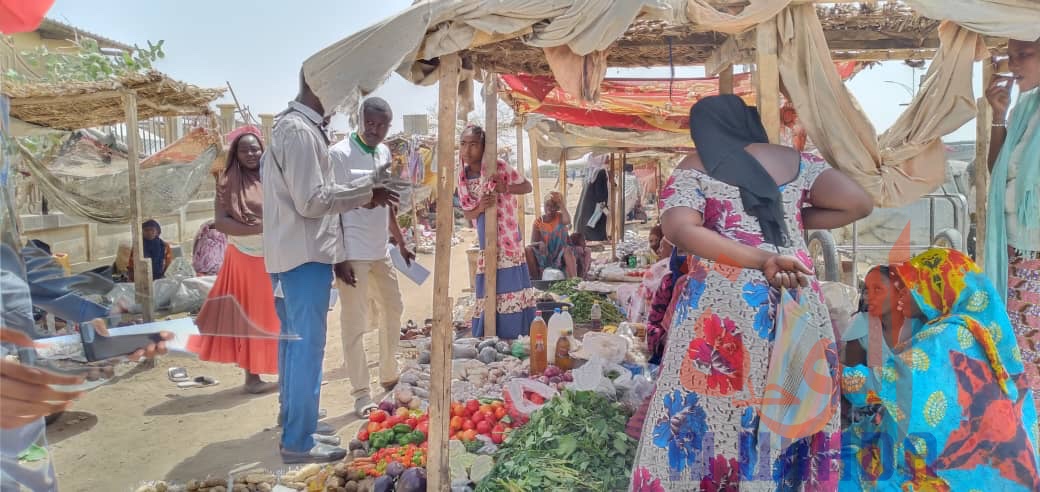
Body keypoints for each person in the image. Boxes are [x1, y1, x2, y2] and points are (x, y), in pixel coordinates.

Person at [630, 95, 872, 491]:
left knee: (718, 408)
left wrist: (757, 257)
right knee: (791, 403)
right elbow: (859, 203)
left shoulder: (694, 167)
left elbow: (681, 230)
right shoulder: (797, 161)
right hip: (797, 294)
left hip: (726, 303)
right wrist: (789, 216)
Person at [262, 70, 398, 463]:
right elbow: (312, 201)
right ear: (322, 88)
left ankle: (296, 425)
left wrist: (363, 194)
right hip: (304, 257)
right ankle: (298, 441)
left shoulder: (296, 127)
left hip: (290, 255)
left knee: (292, 344)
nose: (343, 102)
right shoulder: (302, 132)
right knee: (306, 347)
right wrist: (362, 196)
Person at [840, 248, 1039, 490]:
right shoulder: (972, 328)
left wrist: (834, 373)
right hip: (1001, 469)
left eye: (911, 286)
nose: (903, 292)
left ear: (935, 289)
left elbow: (885, 385)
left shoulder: (944, 335)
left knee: (837, 464)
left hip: (957, 471)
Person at [328, 97, 414, 417]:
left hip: (381, 251)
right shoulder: (338, 155)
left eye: (382, 125)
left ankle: (389, 374)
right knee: (355, 323)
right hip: (352, 253)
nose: (376, 130)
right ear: (359, 121)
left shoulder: (383, 152)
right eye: (371, 124)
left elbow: (386, 199)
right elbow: (330, 206)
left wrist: (401, 241)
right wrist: (338, 257)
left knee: (394, 308)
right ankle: (361, 393)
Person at [188, 128, 279, 395]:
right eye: (244, 150)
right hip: (246, 258)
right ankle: (252, 378)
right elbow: (221, 222)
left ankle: (277, 369)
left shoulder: (271, 176)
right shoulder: (228, 181)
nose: (251, 154)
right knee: (253, 315)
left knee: (274, 314)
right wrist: (261, 228)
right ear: (235, 155)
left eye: (255, 148)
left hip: (273, 255)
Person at [985, 36, 1040, 411]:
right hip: (1014, 254)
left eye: (1024, 54)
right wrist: (999, 116)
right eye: (1010, 55)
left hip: (1034, 256)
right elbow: (998, 171)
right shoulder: (1027, 108)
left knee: (1029, 356)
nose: (1013, 63)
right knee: (1018, 353)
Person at [457, 125, 536, 339]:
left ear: (484, 147)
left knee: (511, 285)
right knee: (490, 285)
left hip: (508, 236)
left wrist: (505, 188)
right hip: (486, 238)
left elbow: (526, 186)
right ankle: (490, 330)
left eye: (474, 145)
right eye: (464, 144)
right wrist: (481, 207)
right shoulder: (462, 178)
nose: (467, 150)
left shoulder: (499, 167)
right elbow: (468, 213)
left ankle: (514, 332)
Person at [840, 265, 907, 369]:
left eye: (877, 289)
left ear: (899, 292)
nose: (869, 297)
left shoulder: (918, 324)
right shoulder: (862, 325)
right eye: (867, 291)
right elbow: (850, 376)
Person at [526, 191, 579, 279]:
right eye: (548, 205)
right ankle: (536, 281)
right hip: (545, 254)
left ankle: (575, 280)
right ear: (544, 205)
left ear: (558, 208)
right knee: (528, 250)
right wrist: (539, 243)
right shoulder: (539, 221)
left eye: (554, 206)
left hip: (560, 253)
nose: (550, 208)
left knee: (568, 249)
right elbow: (532, 242)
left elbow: (568, 221)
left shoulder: (560, 217)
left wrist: (561, 204)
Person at [574, 153, 610, 242]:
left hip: (587, 203)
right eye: (606, 158)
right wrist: (603, 202)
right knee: (595, 221)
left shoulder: (590, 172)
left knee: (587, 220)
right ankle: (596, 238)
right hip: (596, 203)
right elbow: (600, 192)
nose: (608, 160)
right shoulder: (601, 172)